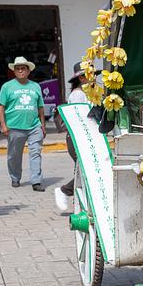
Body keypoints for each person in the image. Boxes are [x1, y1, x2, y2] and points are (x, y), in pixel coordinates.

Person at [0, 56, 46, 191]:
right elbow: (0, 106)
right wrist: (3, 125)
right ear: (14, 71)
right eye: (17, 68)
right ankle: (15, 177)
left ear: (28, 70)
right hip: (14, 127)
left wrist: (42, 125)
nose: (20, 71)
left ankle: (36, 181)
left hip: (34, 126)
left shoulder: (35, 86)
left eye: (23, 68)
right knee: (14, 155)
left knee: (35, 152)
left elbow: (40, 107)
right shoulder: (7, 87)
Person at [54, 62, 86, 211]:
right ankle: (64, 191)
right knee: (85, 171)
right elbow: (80, 118)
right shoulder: (78, 94)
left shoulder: (87, 93)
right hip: (77, 137)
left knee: (85, 171)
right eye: (89, 75)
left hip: (83, 137)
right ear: (81, 78)